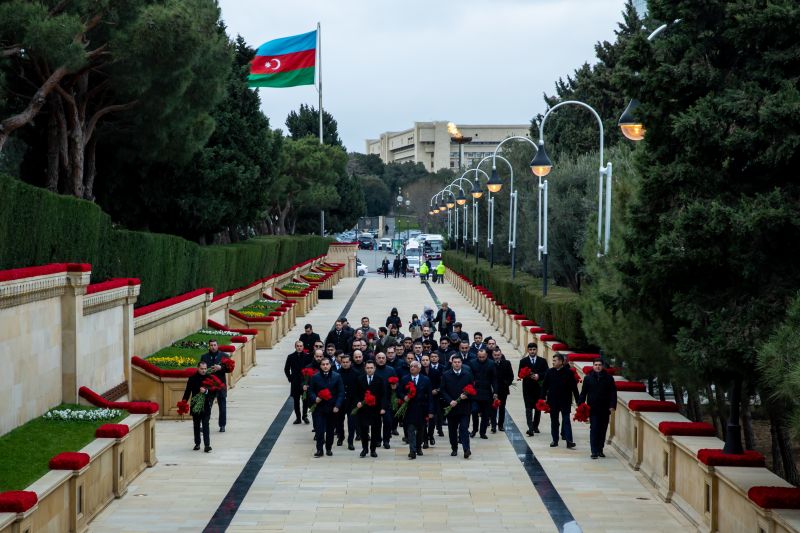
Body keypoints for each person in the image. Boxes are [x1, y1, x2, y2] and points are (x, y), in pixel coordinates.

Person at [578, 358, 618, 459]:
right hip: (593, 408)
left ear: (603, 366)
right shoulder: (588, 378)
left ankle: (600, 449)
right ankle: (594, 451)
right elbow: (583, 393)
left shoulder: (609, 378)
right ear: (593, 366)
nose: (598, 366)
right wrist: (580, 405)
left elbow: (613, 393)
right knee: (594, 428)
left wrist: (612, 405)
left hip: (605, 409)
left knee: (602, 429)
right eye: (595, 365)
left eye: (599, 365)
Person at [541, 353, 580, 448]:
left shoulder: (569, 373)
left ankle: (569, 441)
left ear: (561, 361)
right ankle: (555, 440)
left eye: (555, 360)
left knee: (566, 420)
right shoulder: (549, 372)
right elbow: (544, 386)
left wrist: (579, 402)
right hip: (553, 401)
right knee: (554, 421)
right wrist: (542, 399)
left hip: (565, 401)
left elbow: (574, 388)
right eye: (553, 360)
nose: (553, 362)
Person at [309, 358, 345, 457]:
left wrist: (337, 405)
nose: (325, 366)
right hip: (319, 408)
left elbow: (341, 392)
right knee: (319, 430)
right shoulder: (315, 377)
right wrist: (315, 398)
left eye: (327, 364)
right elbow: (310, 391)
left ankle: (328, 448)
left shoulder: (336, 376)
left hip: (332, 408)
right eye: (323, 364)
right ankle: (319, 449)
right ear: (320, 366)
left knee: (330, 430)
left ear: (330, 365)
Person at [399, 361, 433, 459]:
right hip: (409, 409)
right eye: (411, 366)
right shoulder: (405, 379)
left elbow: (430, 397)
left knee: (420, 430)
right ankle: (412, 450)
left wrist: (430, 411)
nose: (412, 368)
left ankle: (418, 447)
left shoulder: (425, 379)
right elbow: (399, 391)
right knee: (410, 429)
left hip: (422, 409)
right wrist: (404, 397)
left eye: (414, 366)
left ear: (419, 368)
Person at [441, 356, 473, 459]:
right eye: (455, 362)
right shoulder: (446, 375)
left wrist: (466, 396)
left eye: (459, 362)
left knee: (464, 428)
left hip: (464, 407)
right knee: (452, 430)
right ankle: (454, 448)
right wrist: (450, 401)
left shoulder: (467, 375)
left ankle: (466, 449)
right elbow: (443, 390)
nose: (457, 364)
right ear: (452, 363)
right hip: (452, 407)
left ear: (461, 363)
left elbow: (472, 389)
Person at [354, 360, 386, 457]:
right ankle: (364, 449)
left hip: (375, 409)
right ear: (365, 369)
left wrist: (383, 407)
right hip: (363, 409)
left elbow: (383, 395)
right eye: (367, 368)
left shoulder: (380, 379)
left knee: (375, 430)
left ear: (374, 368)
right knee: (363, 429)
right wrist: (358, 402)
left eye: (371, 368)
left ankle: (373, 449)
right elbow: (355, 394)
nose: (369, 370)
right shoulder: (360, 379)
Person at [182, 361, 215, 452]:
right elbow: (187, 391)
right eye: (202, 369)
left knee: (205, 425)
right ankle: (197, 443)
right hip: (195, 405)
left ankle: (207, 445)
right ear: (198, 368)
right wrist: (183, 402)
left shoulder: (210, 378)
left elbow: (213, 392)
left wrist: (206, 392)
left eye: (205, 369)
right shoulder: (192, 378)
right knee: (196, 425)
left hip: (206, 405)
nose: (204, 370)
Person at [200, 339, 232, 432]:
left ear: (217, 346)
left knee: (222, 406)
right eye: (211, 345)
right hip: (209, 386)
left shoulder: (224, 356)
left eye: (214, 345)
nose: (213, 347)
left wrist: (221, 367)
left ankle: (222, 425)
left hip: (221, 385)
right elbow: (201, 370)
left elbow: (229, 369)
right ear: (209, 346)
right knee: (207, 406)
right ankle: (205, 424)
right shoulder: (204, 357)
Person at [519, 343, 549, 436]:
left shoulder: (542, 361)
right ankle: (530, 428)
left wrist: (538, 376)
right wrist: (528, 375)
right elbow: (520, 374)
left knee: (537, 408)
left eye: (534, 349)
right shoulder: (523, 361)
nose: (532, 351)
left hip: (538, 388)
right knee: (528, 408)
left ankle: (535, 426)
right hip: (527, 388)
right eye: (530, 349)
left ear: (536, 350)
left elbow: (547, 373)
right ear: (528, 350)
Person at [467, 348, 498, 439]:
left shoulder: (491, 363)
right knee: (474, 411)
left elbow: (494, 379)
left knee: (485, 414)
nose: (481, 358)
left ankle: (482, 432)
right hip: (475, 392)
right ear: (477, 356)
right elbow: (469, 377)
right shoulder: (472, 363)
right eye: (479, 357)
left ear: (486, 356)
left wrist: (495, 392)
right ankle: (474, 430)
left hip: (486, 392)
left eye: (483, 357)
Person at [285, 340, 312, 424]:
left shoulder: (307, 357)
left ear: (303, 347)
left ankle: (304, 416)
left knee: (305, 401)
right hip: (295, 382)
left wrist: (308, 381)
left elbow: (310, 369)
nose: (299, 347)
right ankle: (298, 418)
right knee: (296, 401)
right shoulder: (290, 356)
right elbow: (286, 369)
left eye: (301, 346)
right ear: (295, 347)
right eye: (298, 346)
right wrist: (290, 378)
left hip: (305, 382)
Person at [374, 352, 397, 449]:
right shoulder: (372, 369)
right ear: (376, 359)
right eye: (379, 358)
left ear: (386, 359)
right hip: (375, 400)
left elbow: (396, 382)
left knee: (388, 421)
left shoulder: (391, 370)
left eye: (383, 358)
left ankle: (386, 440)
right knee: (376, 422)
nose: (381, 359)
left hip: (387, 399)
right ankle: (378, 440)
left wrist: (394, 386)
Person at [336, 354, 360, 450]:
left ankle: (350, 441)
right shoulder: (337, 373)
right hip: (340, 402)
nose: (345, 364)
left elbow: (359, 389)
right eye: (343, 362)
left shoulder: (356, 373)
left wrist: (358, 401)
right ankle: (341, 437)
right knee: (339, 422)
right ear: (340, 363)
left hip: (352, 402)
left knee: (351, 423)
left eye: (347, 362)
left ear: (350, 362)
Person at [420, 353, 442, 447]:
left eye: (426, 360)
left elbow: (441, 384)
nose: (425, 362)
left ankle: (431, 435)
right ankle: (425, 440)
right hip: (423, 399)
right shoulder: (419, 372)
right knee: (423, 420)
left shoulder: (435, 371)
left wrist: (437, 390)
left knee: (432, 419)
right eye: (423, 360)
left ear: (429, 360)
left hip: (434, 399)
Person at [491, 347, 514, 432]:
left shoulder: (507, 363)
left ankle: (500, 425)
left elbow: (511, 376)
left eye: (498, 355)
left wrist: (506, 383)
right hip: (492, 390)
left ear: (501, 355)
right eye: (495, 355)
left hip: (503, 390)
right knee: (493, 408)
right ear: (492, 355)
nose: (497, 357)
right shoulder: (490, 363)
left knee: (502, 408)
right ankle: (493, 426)